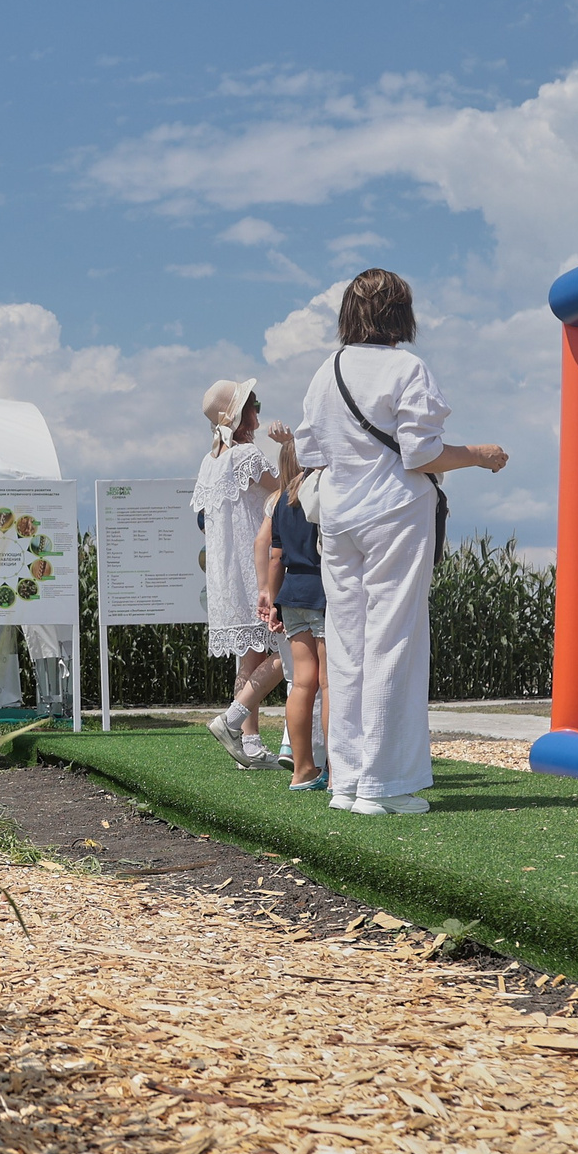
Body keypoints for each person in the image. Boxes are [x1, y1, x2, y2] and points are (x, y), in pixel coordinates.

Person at [295, 270, 507, 815]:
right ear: (400, 313)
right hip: (393, 515)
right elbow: (422, 455)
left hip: (338, 521)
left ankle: (345, 782)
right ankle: (385, 785)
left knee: (345, 648)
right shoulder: (406, 367)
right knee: (395, 641)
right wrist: (478, 455)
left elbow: (311, 454)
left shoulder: (326, 371)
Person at [193, 376, 287, 769]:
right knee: (288, 652)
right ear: (242, 415)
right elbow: (286, 491)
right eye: (254, 403)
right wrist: (290, 449)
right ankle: (233, 719)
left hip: (226, 576)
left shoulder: (209, 462)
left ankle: (248, 744)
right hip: (256, 569)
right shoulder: (246, 457)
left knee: (248, 658)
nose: (258, 409)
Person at [255, 430, 330, 789]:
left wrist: (274, 600)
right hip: (322, 594)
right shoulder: (324, 494)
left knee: (302, 684)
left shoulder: (281, 502)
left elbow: (275, 558)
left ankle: (302, 770)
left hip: (292, 595)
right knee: (330, 687)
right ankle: (338, 774)